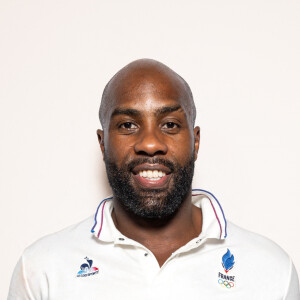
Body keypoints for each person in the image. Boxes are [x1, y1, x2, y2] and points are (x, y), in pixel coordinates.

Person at [8, 59, 300, 299]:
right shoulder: (42, 269)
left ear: (195, 142)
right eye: (128, 124)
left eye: (170, 124)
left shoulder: (272, 270)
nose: (150, 143)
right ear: (102, 144)